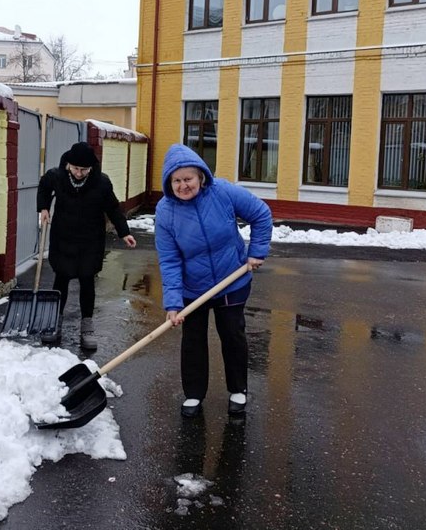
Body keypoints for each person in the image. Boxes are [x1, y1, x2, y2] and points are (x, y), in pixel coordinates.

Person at [155, 144, 273, 418]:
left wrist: (256, 251)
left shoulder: (222, 192)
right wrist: (173, 302)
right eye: (177, 181)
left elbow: (261, 214)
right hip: (191, 288)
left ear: (201, 177)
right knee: (193, 340)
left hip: (231, 278)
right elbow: (170, 260)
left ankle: (238, 390)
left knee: (232, 334)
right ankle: (194, 395)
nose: (183, 185)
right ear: (169, 183)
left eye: (188, 179)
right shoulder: (165, 211)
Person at [37, 141, 137, 350]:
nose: (79, 173)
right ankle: (56, 320)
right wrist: (44, 207)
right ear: (69, 165)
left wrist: (124, 232)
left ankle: (87, 325)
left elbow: (113, 208)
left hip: (90, 239)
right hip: (63, 236)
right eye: (75, 168)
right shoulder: (57, 176)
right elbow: (44, 187)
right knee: (61, 278)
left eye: (84, 169)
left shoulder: (101, 183)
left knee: (87, 279)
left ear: (91, 167)